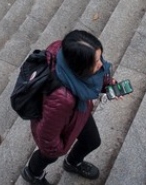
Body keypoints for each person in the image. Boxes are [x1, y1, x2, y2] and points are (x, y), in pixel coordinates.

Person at [21, 30, 115, 184]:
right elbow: (47, 135)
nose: (101, 64)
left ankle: (73, 163)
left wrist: (108, 85)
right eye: (96, 61)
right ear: (80, 67)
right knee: (47, 156)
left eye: (100, 57)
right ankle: (32, 173)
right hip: (62, 123)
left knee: (92, 142)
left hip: (79, 111)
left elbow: (94, 78)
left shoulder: (65, 49)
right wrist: (58, 150)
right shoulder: (62, 99)